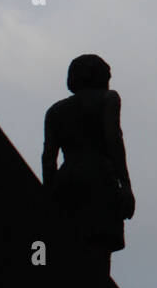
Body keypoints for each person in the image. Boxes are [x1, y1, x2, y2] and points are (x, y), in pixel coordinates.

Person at [42, 54, 135, 276]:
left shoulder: (55, 110)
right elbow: (113, 140)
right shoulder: (108, 99)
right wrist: (126, 185)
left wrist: (48, 196)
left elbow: (48, 158)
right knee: (99, 248)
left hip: (66, 180)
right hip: (99, 177)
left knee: (67, 248)